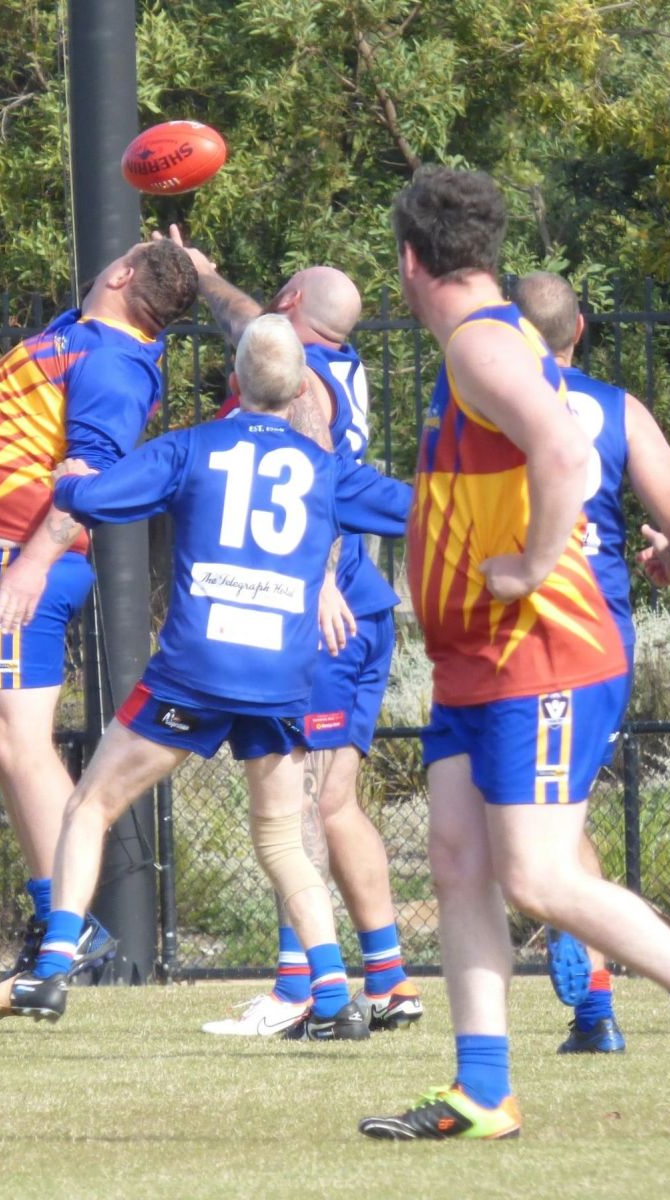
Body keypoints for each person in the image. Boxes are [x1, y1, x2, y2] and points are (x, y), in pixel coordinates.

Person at [358, 166, 670, 1142]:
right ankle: (483, 1090)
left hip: (539, 652)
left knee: (539, 878)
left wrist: (529, 564)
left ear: (409, 260)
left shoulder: (477, 343)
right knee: (458, 861)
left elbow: (560, 450)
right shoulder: (489, 337)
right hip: (476, 661)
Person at [0, 315, 413, 1040]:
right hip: (280, 677)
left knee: (90, 805)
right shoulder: (326, 469)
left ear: (233, 382)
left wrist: (69, 484)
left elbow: (98, 500)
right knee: (282, 841)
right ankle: (332, 995)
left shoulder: (192, 447)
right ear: (301, 389)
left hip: (195, 672)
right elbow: (414, 510)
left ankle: (51, 970)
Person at [0, 234, 199, 990]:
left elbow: (89, 476)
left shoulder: (112, 363)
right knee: (0, 743)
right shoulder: (81, 336)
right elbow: (126, 303)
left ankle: (68, 926)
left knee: (19, 742)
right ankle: (56, 917)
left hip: (19, 563)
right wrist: (187, 271)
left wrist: (33, 562)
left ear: (121, 272)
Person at [171, 231, 423, 1037]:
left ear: (287, 307)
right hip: (364, 608)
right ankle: (387, 981)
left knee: (300, 809)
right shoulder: (334, 365)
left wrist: (316, 581)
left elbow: (313, 480)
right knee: (336, 805)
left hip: (328, 610)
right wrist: (208, 278)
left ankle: (300, 988)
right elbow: (249, 323)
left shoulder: (304, 387)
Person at [512, 271, 670, 1054]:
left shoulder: (485, 398)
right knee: (544, 815)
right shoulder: (616, 407)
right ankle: (589, 1002)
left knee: (542, 828)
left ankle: (608, 998)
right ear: (580, 330)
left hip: (537, 625)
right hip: (591, 627)